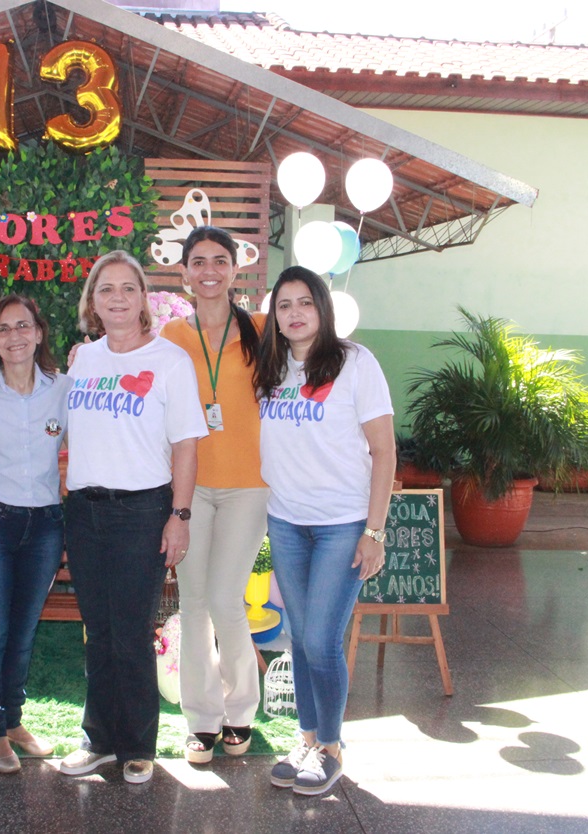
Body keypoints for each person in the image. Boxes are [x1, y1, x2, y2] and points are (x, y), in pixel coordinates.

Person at [58, 250, 207, 785]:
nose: (117, 298)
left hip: (142, 511)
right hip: (85, 510)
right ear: (92, 301)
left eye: (127, 288)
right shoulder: (83, 361)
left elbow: (187, 446)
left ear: (143, 298)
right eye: (106, 289)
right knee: (97, 631)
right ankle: (98, 739)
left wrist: (179, 516)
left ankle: (138, 746)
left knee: (132, 631)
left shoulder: (169, 361)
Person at [253, 266, 395, 797]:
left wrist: (374, 533)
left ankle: (331, 747)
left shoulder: (356, 363)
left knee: (320, 639)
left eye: (304, 302)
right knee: (298, 637)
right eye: (284, 304)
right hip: (287, 522)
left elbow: (384, 450)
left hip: (342, 525)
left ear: (322, 308)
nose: (294, 313)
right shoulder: (271, 369)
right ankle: (307, 738)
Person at [159, 226, 267, 763]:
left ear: (234, 270)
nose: (209, 270)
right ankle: (201, 720)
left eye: (219, 260)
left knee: (227, 599)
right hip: (191, 484)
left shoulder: (263, 329)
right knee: (194, 601)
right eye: (198, 261)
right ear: (183, 273)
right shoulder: (171, 336)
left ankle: (241, 709)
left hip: (250, 484)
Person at [0, 293, 71, 774]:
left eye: (23, 326)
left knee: (22, 631)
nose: (15, 336)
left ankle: (13, 720)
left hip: (45, 525)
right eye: (3, 329)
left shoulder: (63, 388)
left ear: (40, 333)